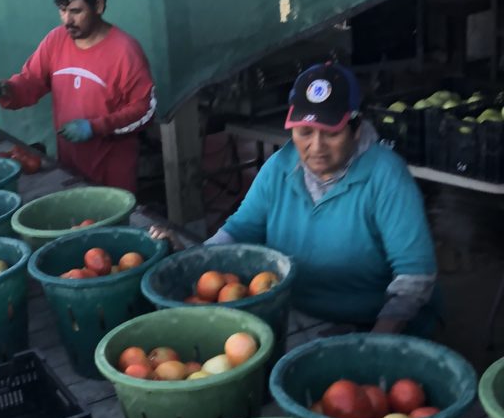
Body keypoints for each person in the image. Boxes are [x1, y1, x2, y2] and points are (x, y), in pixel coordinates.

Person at [152, 63, 440, 335]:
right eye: (305, 132)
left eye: (332, 133)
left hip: (370, 322)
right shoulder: (280, 167)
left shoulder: (386, 176)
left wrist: (374, 345)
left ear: (357, 127)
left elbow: (414, 277)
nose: (316, 147)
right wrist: (191, 257)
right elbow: (238, 231)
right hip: (295, 314)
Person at [0, 0, 156, 193]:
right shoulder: (55, 41)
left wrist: (95, 127)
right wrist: (7, 89)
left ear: (99, 6)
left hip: (113, 176)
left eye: (76, 11)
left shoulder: (125, 51)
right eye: (62, 10)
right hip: (70, 170)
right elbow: (31, 81)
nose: (67, 20)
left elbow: (145, 110)